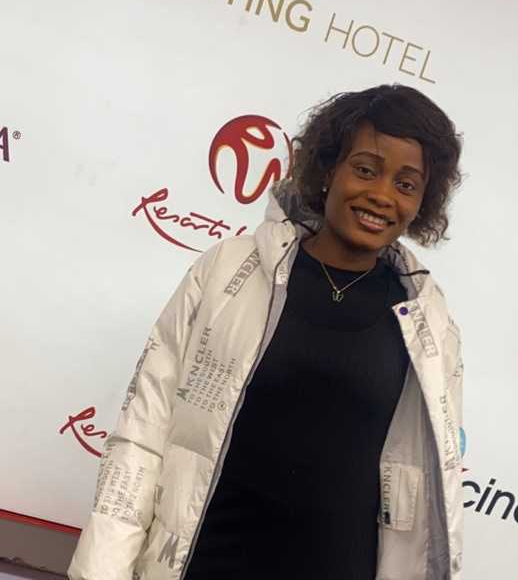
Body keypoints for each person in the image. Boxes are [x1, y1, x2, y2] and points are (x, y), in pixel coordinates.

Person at [68, 83, 465, 580]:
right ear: (328, 168)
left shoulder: (428, 321)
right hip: (205, 565)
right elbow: (143, 432)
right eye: (366, 169)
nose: (382, 195)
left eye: (406, 184)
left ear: (423, 201)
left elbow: (434, 491)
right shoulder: (227, 271)